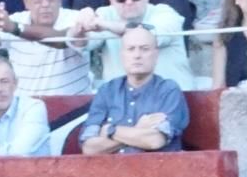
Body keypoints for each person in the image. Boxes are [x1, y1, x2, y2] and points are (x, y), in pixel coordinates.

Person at [80, 24, 189, 153]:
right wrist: (138, 129)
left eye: (144, 49)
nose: (137, 55)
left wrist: (111, 130)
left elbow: (155, 140)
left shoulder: (168, 90)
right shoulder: (107, 91)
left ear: (156, 55)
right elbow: (89, 148)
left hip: (156, 170)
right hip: (111, 171)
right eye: (131, 49)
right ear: (122, 55)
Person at [77, 0, 195, 89]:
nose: (129, 2)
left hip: (170, 100)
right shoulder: (106, 14)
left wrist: (105, 25)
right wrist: (81, 24)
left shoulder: (166, 14)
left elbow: (145, 35)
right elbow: (81, 43)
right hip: (123, 104)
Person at [0, 0, 93, 97]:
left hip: (73, 109)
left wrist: (15, 28)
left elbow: (62, 40)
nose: (45, 4)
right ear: (25, 1)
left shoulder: (76, 18)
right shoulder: (14, 20)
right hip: (27, 108)